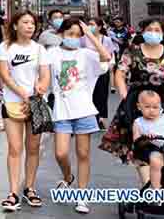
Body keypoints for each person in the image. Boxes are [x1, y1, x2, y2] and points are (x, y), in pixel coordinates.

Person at [100, 18, 164, 183]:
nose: (153, 33)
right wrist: (125, 96)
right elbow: (120, 74)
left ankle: (158, 182)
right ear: (143, 32)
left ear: (163, 33)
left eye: (157, 30)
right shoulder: (133, 51)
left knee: (163, 143)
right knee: (139, 144)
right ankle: (148, 185)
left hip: (162, 105)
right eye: (149, 30)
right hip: (135, 104)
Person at [49, 18, 111, 215]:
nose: (74, 38)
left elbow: (106, 57)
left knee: (83, 154)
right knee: (60, 153)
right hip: (61, 111)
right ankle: (68, 177)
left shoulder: (86, 54)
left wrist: (90, 35)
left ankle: (82, 196)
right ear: (62, 34)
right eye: (70, 34)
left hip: (84, 110)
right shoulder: (52, 53)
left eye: (77, 35)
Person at [0, 10, 50, 212]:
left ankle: (29, 188)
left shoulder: (39, 49)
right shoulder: (5, 47)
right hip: (12, 103)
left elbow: (45, 76)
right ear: (15, 25)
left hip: (35, 104)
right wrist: (22, 94)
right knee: (15, 148)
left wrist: (39, 90)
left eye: (32, 23)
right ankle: (13, 193)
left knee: (33, 148)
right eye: (25, 22)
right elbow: (5, 75)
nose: (30, 26)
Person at [84, 17, 118, 129]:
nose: (90, 26)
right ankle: (91, 118)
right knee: (90, 94)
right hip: (88, 71)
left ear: (99, 27)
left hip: (102, 69)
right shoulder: (83, 39)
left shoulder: (106, 39)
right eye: (88, 24)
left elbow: (110, 54)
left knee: (102, 94)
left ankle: (101, 118)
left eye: (92, 24)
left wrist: (109, 64)